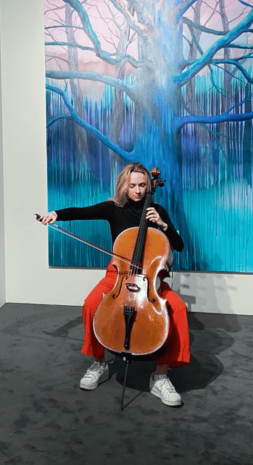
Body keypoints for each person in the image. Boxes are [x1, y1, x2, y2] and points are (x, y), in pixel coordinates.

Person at [40, 162, 188, 407]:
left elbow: (179, 245)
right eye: (133, 186)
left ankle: (160, 375)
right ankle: (99, 362)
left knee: (178, 309)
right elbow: (82, 212)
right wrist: (56, 214)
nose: (138, 190)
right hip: (118, 274)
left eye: (142, 185)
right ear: (124, 186)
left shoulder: (157, 209)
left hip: (151, 278)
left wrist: (163, 225)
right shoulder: (113, 208)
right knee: (90, 305)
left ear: (149, 185)